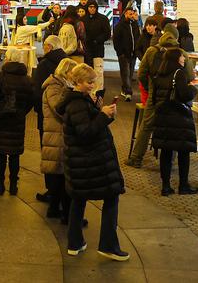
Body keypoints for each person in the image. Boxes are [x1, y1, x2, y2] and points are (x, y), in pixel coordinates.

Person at [60, 62, 127, 261]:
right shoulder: (77, 104)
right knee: (112, 196)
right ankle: (108, 245)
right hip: (91, 162)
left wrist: (103, 115)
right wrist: (102, 116)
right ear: (78, 82)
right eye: (89, 82)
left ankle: (75, 242)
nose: (92, 85)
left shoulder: (77, 101)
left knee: (78, 200)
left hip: (81, 162)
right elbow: (85, 132)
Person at [148, 44, 198, 196]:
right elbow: (184, 94)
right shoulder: (179, 73)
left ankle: (165, 186)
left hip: (163, 116)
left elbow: (155, 96)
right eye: (182, 56)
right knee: (183, 152)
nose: (184, 58)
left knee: (166, 152)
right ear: (177, 58)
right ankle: (183, 185)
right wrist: (193, 89)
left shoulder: (159, 73)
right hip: (179, 117)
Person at [127, 24, 179, 167]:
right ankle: (171, 161)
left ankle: (136, 158)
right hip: (173, 97)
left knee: (146, 126)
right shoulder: (181, 53)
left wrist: (150, 87)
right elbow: (188, 75)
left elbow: (141, 74)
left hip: (154, 95)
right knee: (172, 127)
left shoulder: (151, 51)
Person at [39, 56, 80, 221]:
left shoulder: (61, 86)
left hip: (58, 135)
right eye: (74, 72)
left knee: (59, 174)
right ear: (66, 72)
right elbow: (60, 109)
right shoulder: (54, 87)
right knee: (60, 175)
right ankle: (64, 213)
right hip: (56, 136)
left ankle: (55, 209)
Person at [0, 60, 33, 196]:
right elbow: (31, 100)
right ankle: (13, 185)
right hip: (17, 121)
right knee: (14, 155)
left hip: (0, 120)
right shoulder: (27, 80)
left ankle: (0, 185)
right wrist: (22, 112)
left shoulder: (1, 77)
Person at [111, 5, 141, 101]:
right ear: (125, 14)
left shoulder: (135, 25)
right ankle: (128, 92)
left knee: (130, 73)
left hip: (133, 54)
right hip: (124, 54)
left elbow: (138, 38)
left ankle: (124, 89)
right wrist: (120, 52)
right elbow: (116, 40)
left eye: (132, 14)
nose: (131, 15)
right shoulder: (120, 26)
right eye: (129, 14)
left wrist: (137, 50)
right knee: (125, 73)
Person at [82, 0, 111, 97]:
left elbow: (107, 33)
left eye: (94, 7)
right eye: (90, 7)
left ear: (96, 8)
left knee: (98, 72)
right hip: (86, 50)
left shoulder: (103, 19)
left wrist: (97, 40)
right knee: (87, 72)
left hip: (98, 49)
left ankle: (98, 93)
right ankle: (88, 92)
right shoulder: (83, 19)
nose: (92, 9)